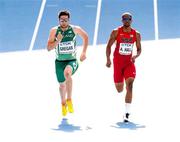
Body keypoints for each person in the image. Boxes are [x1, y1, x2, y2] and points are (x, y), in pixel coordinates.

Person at [47, 10, 88, 116]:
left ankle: (69, 99)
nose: (64, 22)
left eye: (66, 20)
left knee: (67, 74)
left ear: (69, 20)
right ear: (59, 20)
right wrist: (57, 41)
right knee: (62, 86)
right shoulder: (54, 31)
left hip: (72, 60)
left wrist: (83, 52)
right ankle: (63, 103)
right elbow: (48, 48)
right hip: (59, 62)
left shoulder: (75, 29)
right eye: (62, 20)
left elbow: (85, 37)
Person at [106, 12, 142, 122]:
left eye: (129, 19)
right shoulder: (116, 32)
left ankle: (127, 113)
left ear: (131, 20)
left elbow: (139, 49)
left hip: (129, 63)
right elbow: (108, 46)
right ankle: (122, 87)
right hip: (117, 63)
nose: (127, 20)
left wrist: (136, 55)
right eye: (125, 19)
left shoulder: (136, 34)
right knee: (119, 89)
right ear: (122, 20)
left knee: (130, 86)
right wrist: (108, 59)